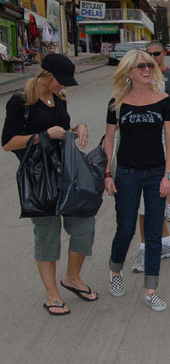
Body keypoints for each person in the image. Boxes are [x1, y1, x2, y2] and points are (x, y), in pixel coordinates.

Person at [2, 54, 95, 316]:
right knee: (47, 234)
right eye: (60, 81)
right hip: (39, 178)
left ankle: (72, 278)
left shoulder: (60, 99)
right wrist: (41, 136)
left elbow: (63, 130)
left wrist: (78, 127)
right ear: (45, 75)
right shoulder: (20, 101)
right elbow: (8, 143)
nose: (63, 86)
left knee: (84, 226)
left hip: (65, 172)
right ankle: (52, 293)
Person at [103, 50, 170, 311]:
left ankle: (151, 290)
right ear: (129, 72)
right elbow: (109, 139)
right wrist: (107, 173)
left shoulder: (163, 100)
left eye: (149, 64)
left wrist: (169, 176)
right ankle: (115, 272)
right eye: (140, 66)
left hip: (156, 173)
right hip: (126, 174)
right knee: (125, 229)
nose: (146, 69)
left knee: (154, 233)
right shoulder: (117, 102)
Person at [129, 41, 170, 273]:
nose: (151, 61)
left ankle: (152, 245)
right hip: (141, 145)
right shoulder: (134, 84)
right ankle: (163, 243)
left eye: (155, 55)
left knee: (155, 192)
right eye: (146, 58)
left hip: (166, 135)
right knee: (146, 201)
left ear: (164, 54)